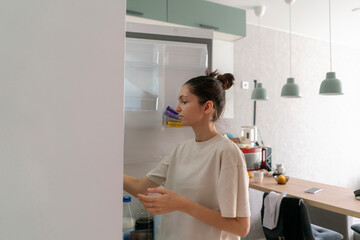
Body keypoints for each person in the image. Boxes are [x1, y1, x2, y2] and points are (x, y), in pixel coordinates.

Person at [124, 70, 251, 240]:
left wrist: (183, 205)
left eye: (184, 101)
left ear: (207, 107)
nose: (177, 108)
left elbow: (241, 227)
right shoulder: (181, 150)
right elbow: (140, 186)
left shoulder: (227, 152)